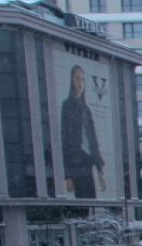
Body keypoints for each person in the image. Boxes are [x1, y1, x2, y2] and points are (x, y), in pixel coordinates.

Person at [61, 64, 105, 199]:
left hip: (87, 162)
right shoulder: (67, 106)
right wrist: (68, 175)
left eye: (82, 79)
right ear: (72, 80)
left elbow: (93, 140)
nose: (80, 83)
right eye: (77, 78)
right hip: (75, 163)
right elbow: (64, 139)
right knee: (81, 204)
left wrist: (100, 171)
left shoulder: (86, 110)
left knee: (91, 201)